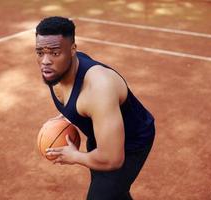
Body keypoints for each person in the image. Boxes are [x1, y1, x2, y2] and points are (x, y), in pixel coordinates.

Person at [35, 16, 155, 200]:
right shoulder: (56, 70)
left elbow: (112, 159)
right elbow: (78, 98)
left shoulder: (99, 87)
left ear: (73, 50)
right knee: (114, 193)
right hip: (100, 136)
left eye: (54, 52)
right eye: (40, 52)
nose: (45, 61)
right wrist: (67, 114)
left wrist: (75, 156)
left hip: (132, 143)